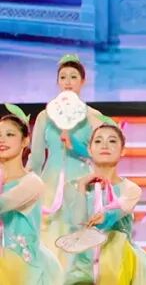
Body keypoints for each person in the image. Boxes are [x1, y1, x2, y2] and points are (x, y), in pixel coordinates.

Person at [27, 54, 105, 267]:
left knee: (78, 242)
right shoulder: (45, 116)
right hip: (50, 183)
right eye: (63, 77)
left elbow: (100, 156)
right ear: (58, 82)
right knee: (49, 242)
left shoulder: (93, 116)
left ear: (83, 81)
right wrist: (25, 187)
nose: (68, 82)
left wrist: (75, 145)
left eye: (73, 77)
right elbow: (36, 159)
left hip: (80, 184)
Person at [64, 122, 146, 284]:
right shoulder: (73, 186)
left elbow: (116, 213)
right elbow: (77, 224)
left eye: (112, 141)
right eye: (98, 141)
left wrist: (104, 216)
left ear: (122, 150)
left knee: (115, 244)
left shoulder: (130, 188)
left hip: (117, 261)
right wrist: (82, 186)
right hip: (83, 262)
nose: (104, 145)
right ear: (89, 149)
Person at [0, 103, 63, 284]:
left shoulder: (32, 183)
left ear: (25, 141)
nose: (2, 140)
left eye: (10, 134)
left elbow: (3, 203)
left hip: (23, 268)